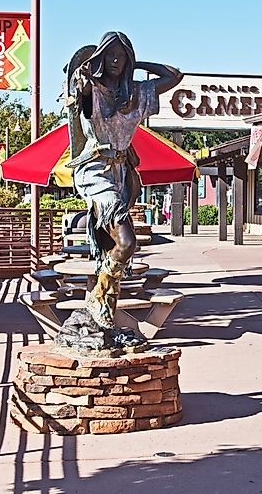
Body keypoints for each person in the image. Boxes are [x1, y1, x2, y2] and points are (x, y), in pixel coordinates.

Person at [65, 31, 182, 333]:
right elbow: (79, 85)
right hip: (94, 170)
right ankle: (99, 300)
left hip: (121, 172)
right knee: (127, 242)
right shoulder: (91, 87)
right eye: (111, 54)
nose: (116, 60)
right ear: (101, 56)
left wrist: (137, 63)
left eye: (122, 54)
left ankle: (102, 307)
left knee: (115, 245)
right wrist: (87, 73)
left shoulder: (138, 93)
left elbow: (174, 75)